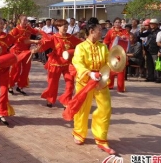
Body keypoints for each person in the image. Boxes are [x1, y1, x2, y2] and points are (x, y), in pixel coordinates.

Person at [71, 17, 115, 155]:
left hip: (101, 82)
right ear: (91, 31)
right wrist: (89, 74)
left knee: (105, 109)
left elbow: (108, 62)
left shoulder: (103, 47)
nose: (101, 32)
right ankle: (79, 133)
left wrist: (116, 62)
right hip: (85, 82)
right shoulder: (80, 47)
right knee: (82, 109)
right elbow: (78, 63)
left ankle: (101, 138)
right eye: (99, 30)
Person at [34, 19, 81, 107]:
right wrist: (36, 50)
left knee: (70, 84)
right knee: (52, 83)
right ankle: (50, 99)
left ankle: (66, 101)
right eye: (64, 26)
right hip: (55, 63)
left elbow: (81, 44)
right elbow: (44, 46)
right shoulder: (54, 37)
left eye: (67, 26)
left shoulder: (71, 37)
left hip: (68, 64)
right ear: (58, 27)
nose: (66, 28)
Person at [8, 15, 40, 95]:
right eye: (24, 20)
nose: (26, 22)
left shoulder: (29, 28)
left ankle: (20, 86)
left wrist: (45, 35)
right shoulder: (15, 30)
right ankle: (10, 85)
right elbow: (22, 41)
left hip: (26, 52)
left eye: (27, 20)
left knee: (26, 69)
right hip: (17, 52)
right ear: (20, 21)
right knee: (16, 69)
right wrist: (34, 42)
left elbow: (37, 32)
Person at [103, 17, 129, 92]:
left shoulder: (124, 31)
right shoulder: (110, 31)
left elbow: (128, 39)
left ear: (121, 23)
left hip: (121, 53)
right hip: (112, 53)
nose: (117, 24)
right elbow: (105, 42)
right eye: (116, 22)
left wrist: (124, 37)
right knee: (111, 69)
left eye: (119, 22)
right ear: (113, 23)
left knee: (121, 70)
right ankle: (110, 85)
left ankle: (120, 87)